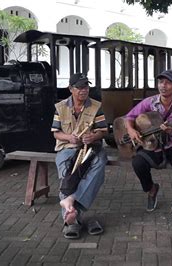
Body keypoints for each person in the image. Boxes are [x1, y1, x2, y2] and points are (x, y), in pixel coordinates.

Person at [125, 70, 172, 214]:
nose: (163, 86)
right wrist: (131, 130)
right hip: (154, 144)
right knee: (138, 163)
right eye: (161, 82)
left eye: (168, 82)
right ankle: (151, 189)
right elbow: (130, 117)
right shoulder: (150, 101)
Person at [51, 73, 108, 239]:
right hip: (67, 147)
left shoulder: (96, 106)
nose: (84, 90)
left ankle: (70, 207)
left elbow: (104, 131)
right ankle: (73, 218)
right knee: (66, 171)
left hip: (89, 147)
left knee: (100, 161)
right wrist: (69, 137)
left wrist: (94, 136)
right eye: (80, 87)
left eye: (86, 87)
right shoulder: (60, 107)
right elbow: (56, 133)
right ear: (71, 89)